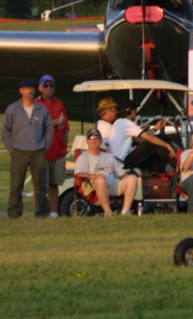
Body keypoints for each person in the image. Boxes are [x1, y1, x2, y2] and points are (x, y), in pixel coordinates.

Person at [3, 78, 54, 218]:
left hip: (38, 152)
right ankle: (14, 213)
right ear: (21, 91)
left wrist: (46, 146)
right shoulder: (12, 109)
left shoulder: (42, 109)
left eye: (31, 88)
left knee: (41, 186)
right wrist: (11, 148)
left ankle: (42, 213)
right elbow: (5, 130)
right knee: (16, 186)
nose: (29, 90)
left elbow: (49, 128)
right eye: (26, 88)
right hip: (19, 152)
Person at [74, 128, 137, 215]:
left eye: (97, 137)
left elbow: (121, 174)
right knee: (100, 180)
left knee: (132, 178)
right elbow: (79, 173)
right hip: (94, 186)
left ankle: (125, 211)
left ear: (101, 140)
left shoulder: (109, 157)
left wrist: (130, 178)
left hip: (112, 185)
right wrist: (94, 176)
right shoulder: (84, 157)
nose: (95, 140)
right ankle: (108, 212)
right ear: (87, 141)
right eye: (92, 137)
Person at [36, 74, 69, 217]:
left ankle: (54, 212)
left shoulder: (59, 104)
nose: (49, 88)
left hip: (57, 150)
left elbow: (66, 127)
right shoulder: (36, 105)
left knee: (54, 184)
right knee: (41, 184)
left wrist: (65, 145)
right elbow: (37, 126)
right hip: (42, 150)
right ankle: (41, 211)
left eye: (51, 85)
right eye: (46, 85)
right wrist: (54, 122)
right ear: (40, 88)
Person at [110, 104, 177, 172]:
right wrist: (167, 145)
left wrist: (156, 128)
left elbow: (140, 139)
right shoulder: (125, 123)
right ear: (130, 111)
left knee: (155, 144)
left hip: (122, 160)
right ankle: (178, 163)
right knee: (155, 142)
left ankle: (158, 172)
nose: (136, 113)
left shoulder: (119, 123)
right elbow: (148, 138)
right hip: (122, 162)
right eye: (135, 110)